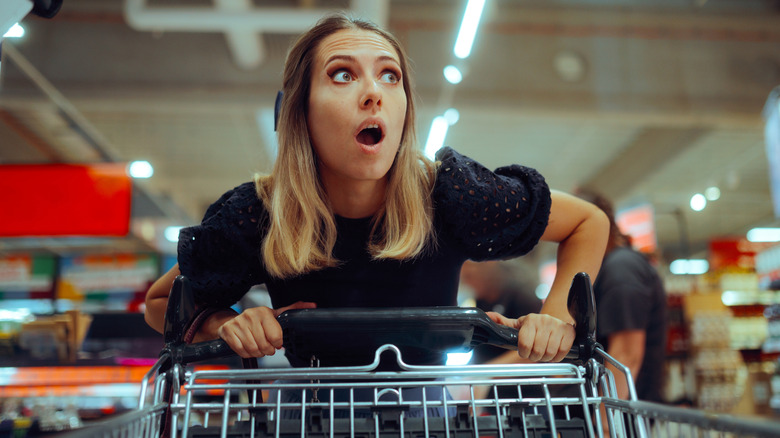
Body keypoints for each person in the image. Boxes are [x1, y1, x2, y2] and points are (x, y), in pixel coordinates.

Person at [145, 14, 608, 374]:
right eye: (342, 75)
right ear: (301, 112)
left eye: (390, 76)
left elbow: (589, 222)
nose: (373, 93)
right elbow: (160, 303)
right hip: (308, 414)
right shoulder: (262, 212)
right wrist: (224, 324)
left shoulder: (452, 195)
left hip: (430, 418)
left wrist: (556, 318)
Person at [577, 190, 668, 403]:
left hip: (622, 419)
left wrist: (606, 427)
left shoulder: (621, 269)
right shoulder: (611, 267)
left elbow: (626, 354)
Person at [460, 259, 542, 366]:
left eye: (468, 276)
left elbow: (533, 350)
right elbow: (480, 347)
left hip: (513, 377)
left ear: (488, 264)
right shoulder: (481, 301)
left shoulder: (522, 297)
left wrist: (486, 372)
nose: (467, 284)